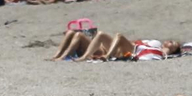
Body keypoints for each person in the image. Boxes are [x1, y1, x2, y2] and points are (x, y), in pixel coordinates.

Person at [51, 28, 183, 62]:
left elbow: (139, 53)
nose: (170, 41)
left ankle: (85, 57)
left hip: (120, 51)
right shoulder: (156, 46)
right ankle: (58, 56)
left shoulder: (160, 52)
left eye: (173, 43)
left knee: (116, 35)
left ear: (173, 49)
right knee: (74, 33)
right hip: (118, 48)